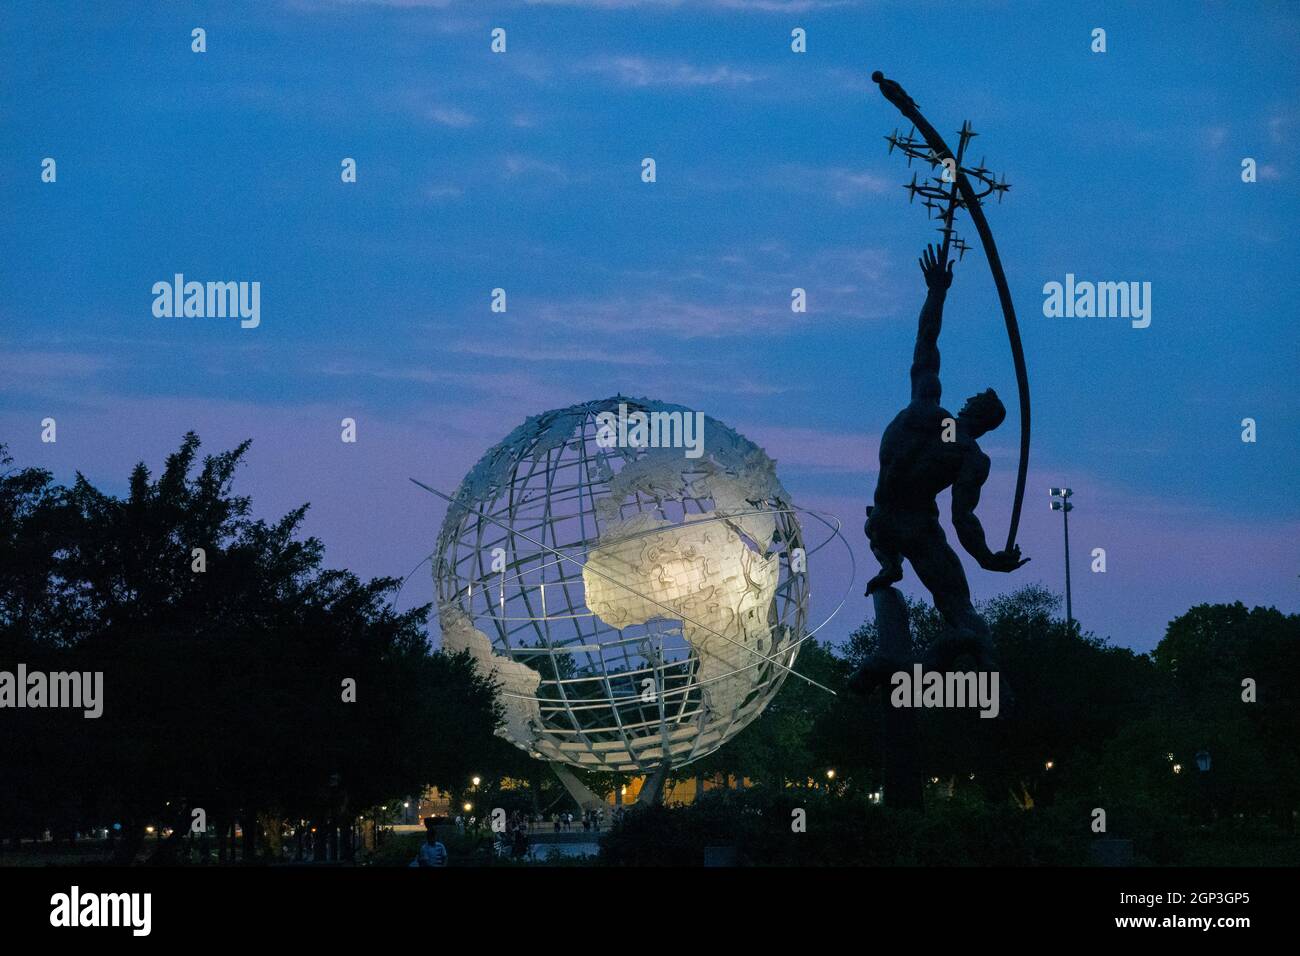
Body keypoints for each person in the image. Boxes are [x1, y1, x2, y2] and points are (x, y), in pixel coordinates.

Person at [853, 244, 1029, 688]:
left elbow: (926, 342)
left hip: (890, 520)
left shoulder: (929, 408)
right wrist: (987, 558)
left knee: (882, 527)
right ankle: (989, 674)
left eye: (976, 398)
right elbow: (962, 518)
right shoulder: (971, 455)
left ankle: (890, 566)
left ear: (976, 407)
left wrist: (937, 292)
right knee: (958, 605)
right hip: (912, 525)